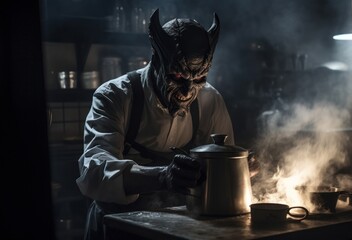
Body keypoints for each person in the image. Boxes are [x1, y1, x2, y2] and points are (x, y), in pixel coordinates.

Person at [76, 9, 258, 240]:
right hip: (118, 225)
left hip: (180, 228)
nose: (188, 90)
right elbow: (94, 172)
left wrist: (239, 169)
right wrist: (162, 177)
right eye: (178, 77)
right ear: (155, 60)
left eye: (199, 78)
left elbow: (221, 168)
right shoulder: (115, 95)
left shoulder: (210, 100)